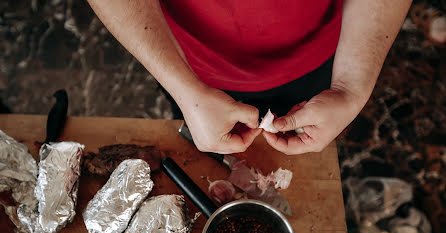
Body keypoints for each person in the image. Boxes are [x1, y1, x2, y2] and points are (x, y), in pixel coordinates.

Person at [86, 1, 411, 157]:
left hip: (324, 52)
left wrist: (350, 88)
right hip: (187, 61)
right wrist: (185, 91)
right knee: (207, 151)